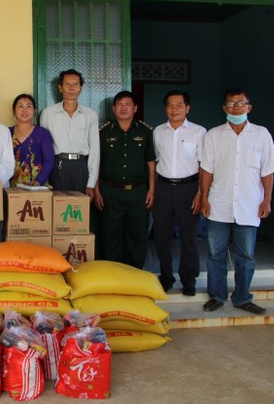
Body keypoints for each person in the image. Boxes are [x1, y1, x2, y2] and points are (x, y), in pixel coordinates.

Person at [200, 88, 274, 315]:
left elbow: (268, 171)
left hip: (249, 204)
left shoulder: (261, 134)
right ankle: (216, 296)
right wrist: (204, 197)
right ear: (224, 108)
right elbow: (207, 170)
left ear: (249, 107)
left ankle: (242, 298)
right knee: (216, 255)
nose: (235, 107)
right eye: (230, 103)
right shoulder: (214, 135)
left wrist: (267, 200)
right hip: (219, 203)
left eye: (240, 103)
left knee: (245, 256)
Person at [152, 90, 206, 296]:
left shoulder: (199, 132)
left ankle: (188, 279)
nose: (174, 109)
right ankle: (166, 276)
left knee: (189, 237)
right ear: (165, 108)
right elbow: (155, 161)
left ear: (187, 108)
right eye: (170, 105)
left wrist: (200, 193)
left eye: (179, 105)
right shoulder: (158, 132)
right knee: (162, 236)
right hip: (163, 187)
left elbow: (204, 165)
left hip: (189, 188)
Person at [95, 91, 156, 269]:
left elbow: (151, 163)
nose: (123, 108)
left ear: (135, 108)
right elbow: (97, 163)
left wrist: (151, 190)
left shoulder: (145, 131)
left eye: (127, 104)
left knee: (137, 237)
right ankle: (114, 276)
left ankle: (135, 275)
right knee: (110, 236)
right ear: (113, 108)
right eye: (119, 104)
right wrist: (97, 189)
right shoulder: (103, 132)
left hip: (138, 192)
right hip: (110, 192)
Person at [40, 69, 100, 199]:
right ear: (60, 88)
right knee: (57, 211)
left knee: (80, 212)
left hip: (81, 168)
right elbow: (43, 148)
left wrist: (91, 183)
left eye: (75, 84)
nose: (71, 88)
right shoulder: (48, 114)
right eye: (67, 84)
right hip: (57, 167)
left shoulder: (90, 115)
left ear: (81, 88)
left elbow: (95, 149)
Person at [9, 93, 55, 186]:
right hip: (11, 188)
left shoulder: (43, 134)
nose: (24, 110)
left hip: (37, 187)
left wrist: (39, 181)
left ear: (34, 111)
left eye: (28, 106)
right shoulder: (6, 133)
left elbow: (49, 160)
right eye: (20, 106)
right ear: (14, 111)